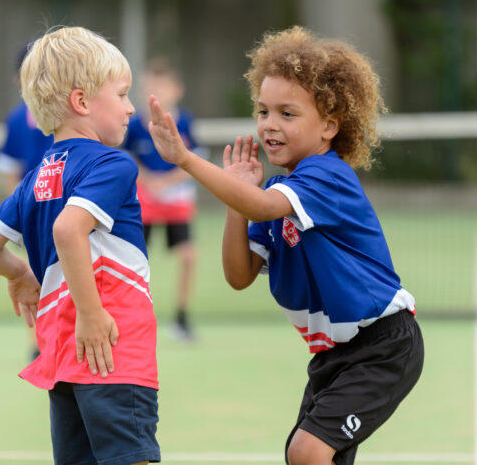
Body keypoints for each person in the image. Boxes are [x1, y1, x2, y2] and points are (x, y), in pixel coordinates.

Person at [147, 26, 424, 465]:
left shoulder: (325, 177)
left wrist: (185, 159)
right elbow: (239, 276)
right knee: (308, 456)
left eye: (287, 114)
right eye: (262, 111)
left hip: (383, 347)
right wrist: (235, 198)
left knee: (307, 451)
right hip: (332, 354)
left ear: (330, 125)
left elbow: (260, 206)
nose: (269, 124)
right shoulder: (277, 192)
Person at [0, 26, 159, 465]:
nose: (131, 107)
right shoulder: (113, 163)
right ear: (82, 102)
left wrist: (19, 274)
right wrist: (92, 315)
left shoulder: (36, 176)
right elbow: (69, 229)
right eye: (123, 94)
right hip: (112, 348)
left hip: (62, 354)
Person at [121, 58, 201, 341]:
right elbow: (126, 156)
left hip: (177, 200)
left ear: (176, 90)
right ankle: (130, 320)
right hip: (144, 199)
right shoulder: (134, 124)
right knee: (133, 259)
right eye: (148, 87)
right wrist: (148, 180)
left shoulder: (186, 122)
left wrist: (167, 181)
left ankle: (181, 318)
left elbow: (196, 159)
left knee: (188, 256)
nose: (154, 93)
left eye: (161, 87)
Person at [0, 44, 55, 361]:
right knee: (34, 279)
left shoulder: (64, 115)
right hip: (34, 214)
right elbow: (11, 170)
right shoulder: (16, 120)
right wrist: (18, 217)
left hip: (65, 213)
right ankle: (38, 346)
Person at [0, 44, 54, 194]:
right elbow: (12, 174)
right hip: (33, 201)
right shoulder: (16, 120)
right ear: (18, 81)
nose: (39, 84)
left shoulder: (72, 114)